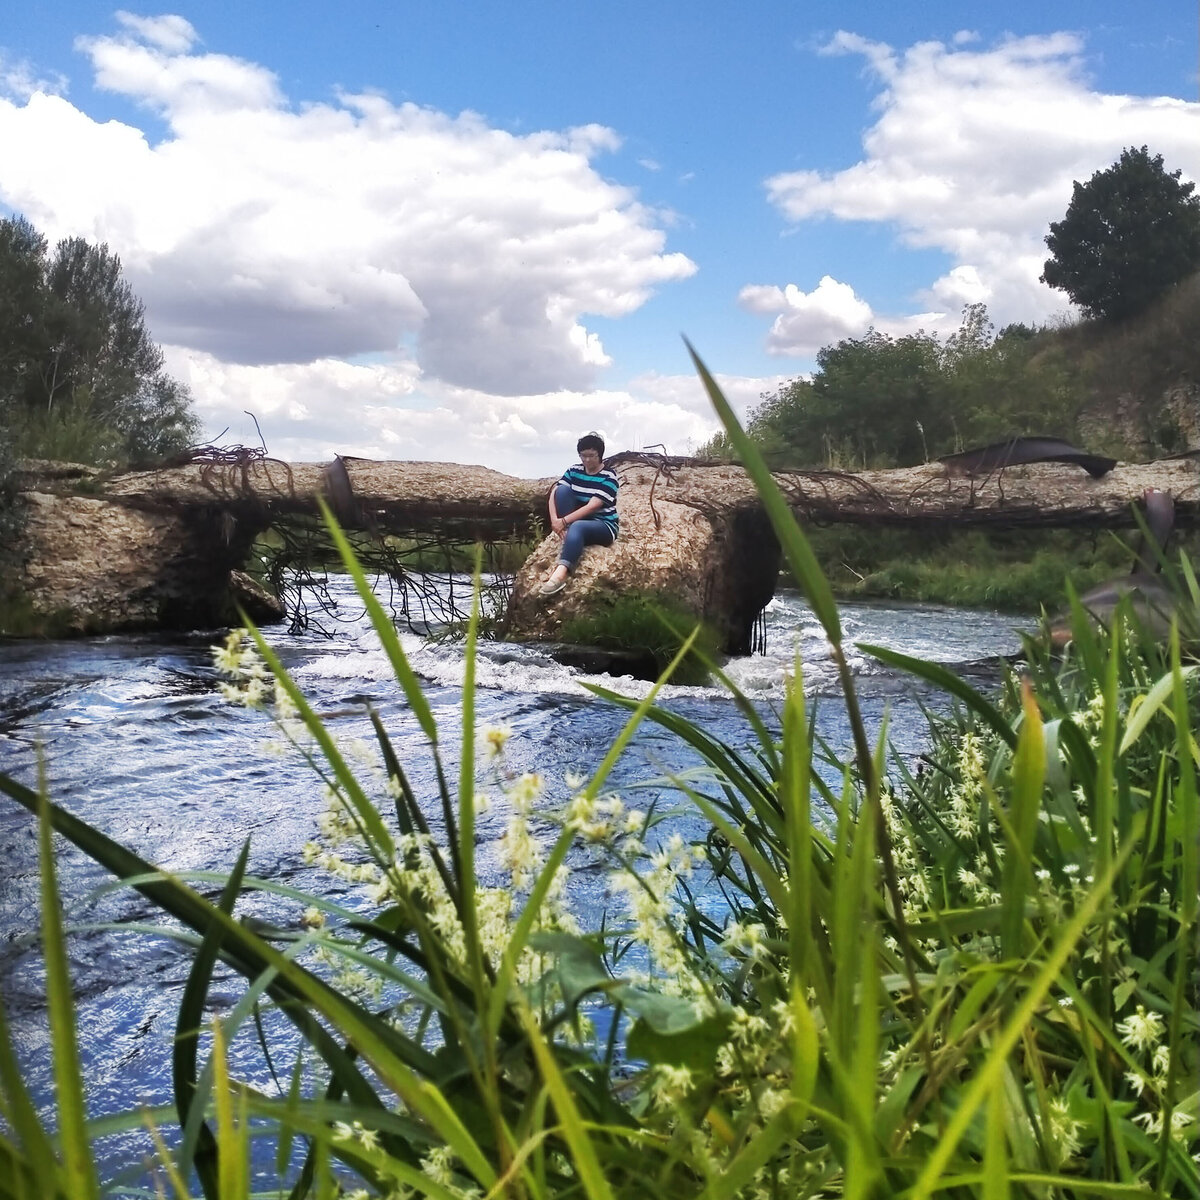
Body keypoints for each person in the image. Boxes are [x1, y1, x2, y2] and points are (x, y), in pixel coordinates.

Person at [539, 432, 619, 597]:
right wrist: (555, 520)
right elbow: (554, 493)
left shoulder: (609, 477)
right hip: (576, 519)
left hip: (603, 524)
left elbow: (593, 506)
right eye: (583, 456)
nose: (587, 460)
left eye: (591, 456)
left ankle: (561, 574)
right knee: (562, 491)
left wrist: (565, 521)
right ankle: (571, 535)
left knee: (577, 526)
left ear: (600, 455)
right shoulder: (574, 470)